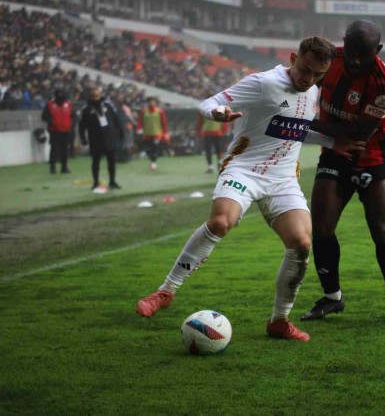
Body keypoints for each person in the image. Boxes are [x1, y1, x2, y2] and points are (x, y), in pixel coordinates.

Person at [135, 36, 365, 342]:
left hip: (283, 178)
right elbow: (207, 103)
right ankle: (165, 292)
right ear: (293, 58)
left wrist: (333, 143)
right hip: (244, 169)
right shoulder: (263, 83)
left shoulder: (312, 92)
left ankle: (279, 321)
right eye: (305, 70)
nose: (308, 79)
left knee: (301, 242)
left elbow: (297, 130)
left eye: (317, 75)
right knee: (221, 222)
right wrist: (217, 113)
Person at [301, 20, 385, 324]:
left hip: (373, 159)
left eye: (363, 55)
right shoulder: (331, 59)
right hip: (334, 155)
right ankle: (332, 298)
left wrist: (306, 125)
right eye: (351, 51)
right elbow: (303, 87)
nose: (354, 60)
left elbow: (361, 131)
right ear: (343, 42)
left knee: (381, 230)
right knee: (321, 227)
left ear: (378, 50)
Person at [78, 87, 124, 190]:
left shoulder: (107, 106)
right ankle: (95, 182)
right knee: (96, 161)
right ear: (90, 97)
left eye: (97, 95)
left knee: (111, 160)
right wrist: (83, 138)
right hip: (95, 138)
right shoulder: (86, 109)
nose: (96, 98)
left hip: (109, 137)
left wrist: (120, 132)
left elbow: (116, 119)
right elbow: (82, 126)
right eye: (93, 96)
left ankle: (112, 181)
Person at [41, 89, 73, 174]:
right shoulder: (50, 105)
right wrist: (52, 122)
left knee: (64, 150)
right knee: (54, 149)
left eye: (62, 93)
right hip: (54, 131)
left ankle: (64, 168)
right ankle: (52, 168)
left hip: (66, 130)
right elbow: (44, 116)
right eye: (58, 93)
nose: (60, 95)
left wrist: (70, 125)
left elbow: (73, 116)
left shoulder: (69, 104)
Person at [137, 97, 169, 171]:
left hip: (157, 134)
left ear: (155, 103)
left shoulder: (160, 111)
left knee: (155, 148)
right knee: (148, 149)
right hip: (147, 134)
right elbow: (140, 121)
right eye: (150, 102)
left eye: (153, 102)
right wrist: (139, 128)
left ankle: (153, 162)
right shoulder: (144, 112)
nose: (151, 103)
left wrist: (165, 133)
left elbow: (164, 122)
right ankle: (152, 161)